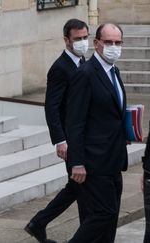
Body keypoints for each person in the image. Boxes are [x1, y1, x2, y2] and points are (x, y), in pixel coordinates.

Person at [24, 18, 89, 243]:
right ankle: (83, 232)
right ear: (66, 40)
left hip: (83, 137)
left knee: (77, 186)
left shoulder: (83, 62)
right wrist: (60, 140)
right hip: (70, 139)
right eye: (78, 39)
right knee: (79, 186)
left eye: (85, 38)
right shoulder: (60, 68)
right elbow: (52, 107)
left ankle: (39, 223)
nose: (82, 43)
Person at [65, 23, 127, 243]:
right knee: (104, 213)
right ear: (97, 43)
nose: (113, 47)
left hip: (114, 159)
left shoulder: (114, 71)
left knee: (111, 219)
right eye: (108, 42)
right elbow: (75, 122)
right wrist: (77, 162)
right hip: (94, 160)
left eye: (117, 43)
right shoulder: (86, 73)